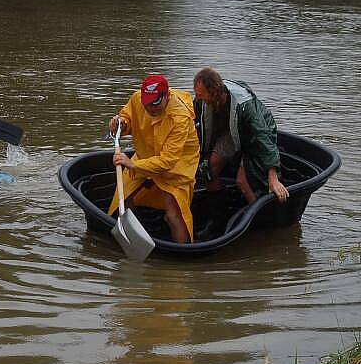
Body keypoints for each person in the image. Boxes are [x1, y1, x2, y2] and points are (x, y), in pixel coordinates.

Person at [108, 74, 200, 244]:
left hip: (177, 165)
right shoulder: (138, 99)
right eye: (147, 104)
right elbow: (128, 116)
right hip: (146, 154)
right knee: (124, 195)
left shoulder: (180, 118)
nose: (151, 109)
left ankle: (183, 256)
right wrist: (121, 123)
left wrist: (132, 164)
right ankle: (135, 235)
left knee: (173, 213)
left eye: (156, 104)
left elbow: (167, 161)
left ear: (167, 95)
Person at [193, 67, 289, 206]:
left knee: (243, 181)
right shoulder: (202, 101)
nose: (197, 98)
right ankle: (219, 212)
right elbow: (192, 120)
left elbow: (263, 136)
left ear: (214, 92)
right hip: (232, 131)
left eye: (200, 94)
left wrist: (273, 177)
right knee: (209, 170)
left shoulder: (244, 104)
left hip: (253, 136)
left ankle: (259, 218)